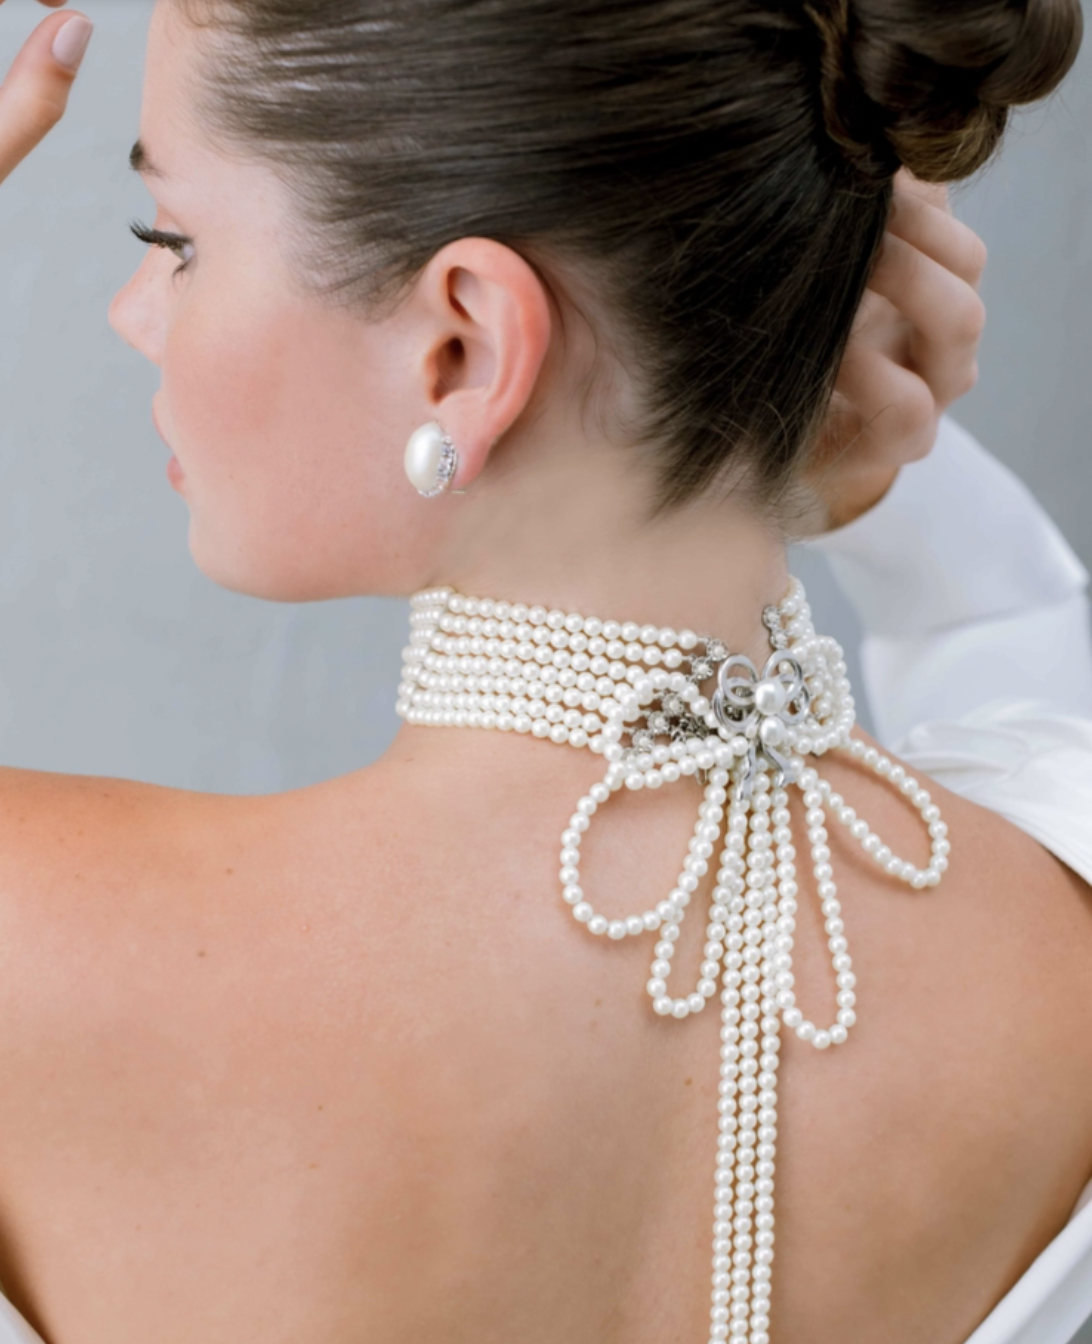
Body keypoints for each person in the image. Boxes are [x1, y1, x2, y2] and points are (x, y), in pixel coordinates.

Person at [0, 2, 1088, 1343]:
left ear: (461, 344)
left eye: (176, 243)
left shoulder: (29, 948)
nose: (133, 313)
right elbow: (1024, 659)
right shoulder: (1060, 918)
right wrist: (807, 401)